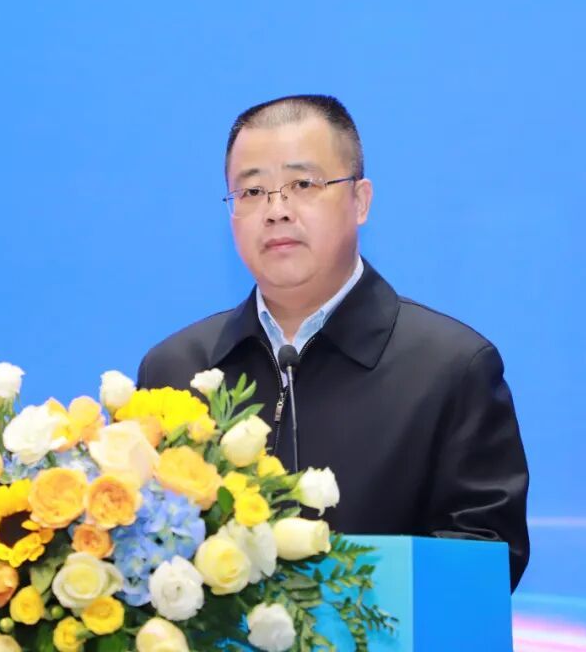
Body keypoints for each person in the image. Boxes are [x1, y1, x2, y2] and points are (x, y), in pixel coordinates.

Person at [136, 94, 530, 590]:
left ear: (360, 201)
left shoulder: (451, 368)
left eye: (303, 184)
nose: (276, 211)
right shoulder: (175, 371)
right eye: (252, 191)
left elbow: (481, 568)